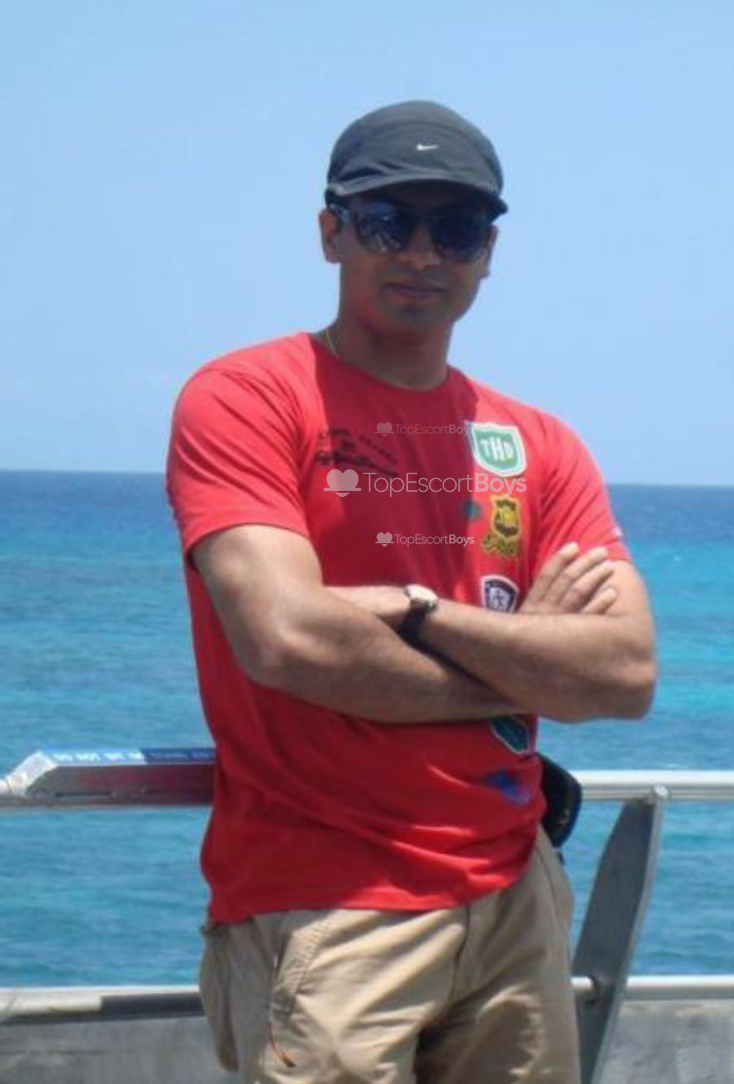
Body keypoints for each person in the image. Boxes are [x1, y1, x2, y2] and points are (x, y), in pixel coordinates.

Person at [166, 99, 656, 1083]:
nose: (424, 253)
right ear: (332, 233)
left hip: (515, 896)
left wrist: (414, 609)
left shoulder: (538, 443)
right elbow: (287, 641)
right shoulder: (248, 399)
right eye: (390, 222)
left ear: (488, 254)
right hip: (328, 899)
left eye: (457, 229)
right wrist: (523, 674)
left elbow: (625, 674)